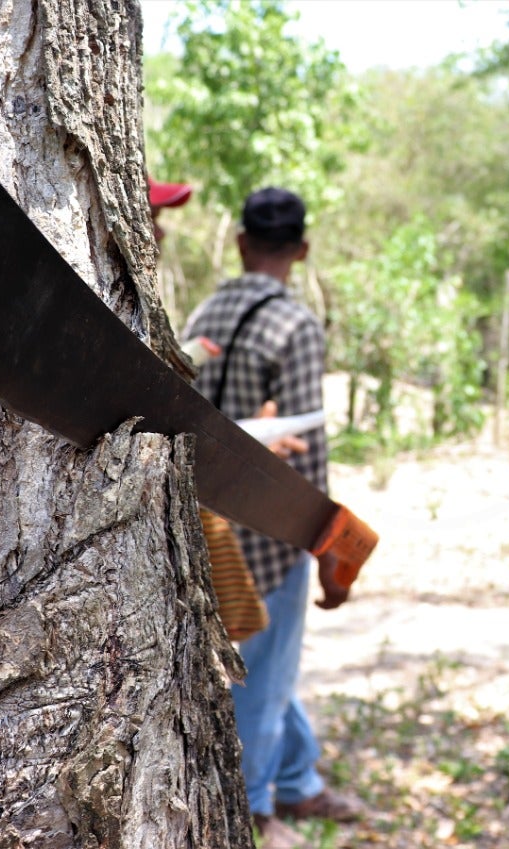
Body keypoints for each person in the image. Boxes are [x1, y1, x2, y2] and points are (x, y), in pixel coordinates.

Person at [182, 187, 364, 848]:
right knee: (264, 673)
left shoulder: (208, 308)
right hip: (273, 530)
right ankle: (256, 805)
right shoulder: (296, 324)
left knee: (271, 664)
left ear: (239, 242)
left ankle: (299, 779)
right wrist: (331, 550)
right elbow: (304, 451)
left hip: (211, 519)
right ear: (303, 249)